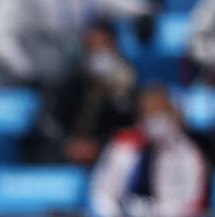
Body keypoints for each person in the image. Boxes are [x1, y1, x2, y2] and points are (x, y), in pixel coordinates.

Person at [89, 85, 208, 217]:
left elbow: (193, 203)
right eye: (149, 113)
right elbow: (100, 192)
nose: (155, 118)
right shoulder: (122, 146)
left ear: (173, 114)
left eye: (160, 112)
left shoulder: (187, 153)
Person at [29, 19, 139, 166]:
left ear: (115, 45)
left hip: (107, 151)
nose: (99, 51)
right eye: (92, 46)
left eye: (104, 45)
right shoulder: (71, 75)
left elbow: (130, 122)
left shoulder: (127, 77)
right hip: (68, 149)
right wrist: (68, 144)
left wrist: (99, 145)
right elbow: (50, 119)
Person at [0, 0, 155, 88]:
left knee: (116, 71)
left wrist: (143, 11)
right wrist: (25, 69)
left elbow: (124, 4)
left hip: (76, 60)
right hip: (29, 60)